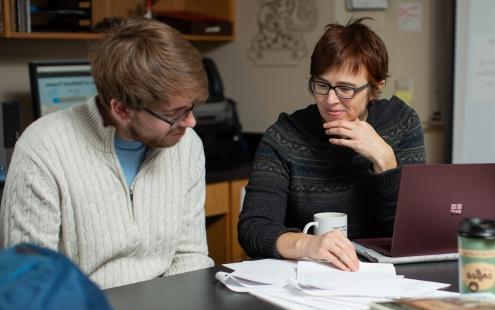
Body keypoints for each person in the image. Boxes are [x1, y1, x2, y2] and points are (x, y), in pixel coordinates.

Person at [0, 18, 214, 288]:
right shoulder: (42, 149)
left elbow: (190, 256)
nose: (191, 122)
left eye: (191, 107)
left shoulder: (187, 145)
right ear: (122, 109)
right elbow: (29, 283)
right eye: (175, 114)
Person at [238, 18, 426, 272]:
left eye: (346, 89)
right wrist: (309, 244)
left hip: (383, 276)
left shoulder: (401, 122)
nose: (330, 100)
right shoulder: (284, 136)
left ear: (376, 87)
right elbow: (254, 227)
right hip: (309, 274)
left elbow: (412, 234)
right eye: (321, 85)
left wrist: (385, 160)